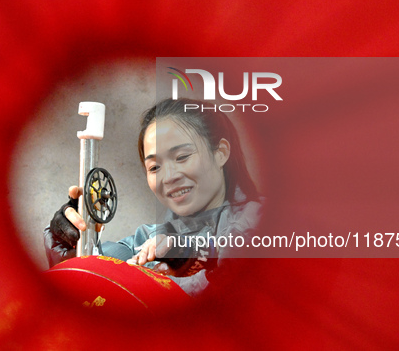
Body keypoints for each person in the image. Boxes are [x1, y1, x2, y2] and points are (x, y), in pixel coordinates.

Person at [44, 98, 263, 296]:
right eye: (155, 167)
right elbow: (88, 275)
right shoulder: (146, 241)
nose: (168, 177)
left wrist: (189, 252)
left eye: (182, 156)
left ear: (221, 152)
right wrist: (66, 240)